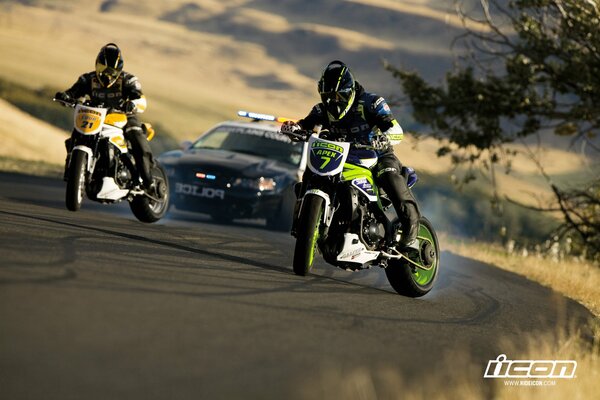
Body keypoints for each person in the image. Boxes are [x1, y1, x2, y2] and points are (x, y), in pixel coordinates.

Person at [281, 60, 420, 253]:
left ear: (351, 90)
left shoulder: (371, 103)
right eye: (329, 97)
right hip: (342, 157)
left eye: (340, 96)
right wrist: (294, 129)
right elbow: (305, 125)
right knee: (312, 173)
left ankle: (411, 233)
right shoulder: (321, 110)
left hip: (377, 156)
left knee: (389, 176)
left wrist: (384, 137)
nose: (334, 102)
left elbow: (396, 129)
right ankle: (304, 223)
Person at [55, 43, 155, 192]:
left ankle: (148, 182)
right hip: (94, 116)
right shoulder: (87, 79)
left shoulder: (128, 80)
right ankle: (73, 170)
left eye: (112, 72)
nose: (107, 75)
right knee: (73, 138)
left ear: (119, 70)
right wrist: (66, 96)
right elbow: (73, 92)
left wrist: (133, 104)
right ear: (97, 65)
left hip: (122, 117)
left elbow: (140, 98)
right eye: (103, 69)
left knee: (136, 136)